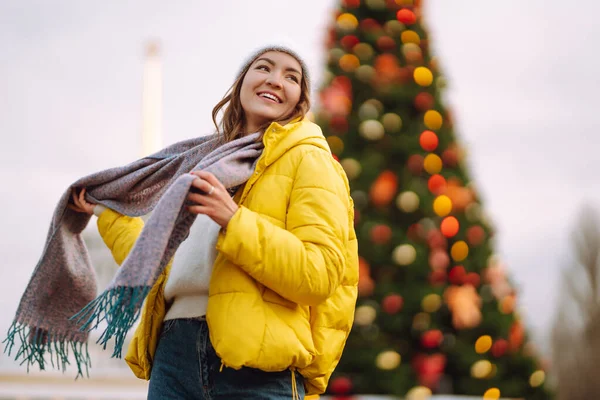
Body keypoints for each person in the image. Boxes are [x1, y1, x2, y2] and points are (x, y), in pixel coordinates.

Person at [70, 44, 358, 400]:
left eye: (291, 76)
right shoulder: (205, 164)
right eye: (263, 67)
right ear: (241, 83)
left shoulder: (310, 161)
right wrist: (105, 212)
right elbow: (161, 262)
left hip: (257, 366)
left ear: (300, 100)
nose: (275, 80)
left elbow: (319, 275)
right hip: (173, 356)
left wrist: (234, 221)